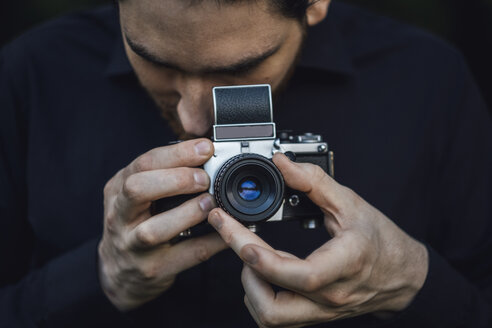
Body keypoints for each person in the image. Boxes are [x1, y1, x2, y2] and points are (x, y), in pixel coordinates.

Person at [0, 0, 491, 327]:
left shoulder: (426, 81)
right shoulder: (33, 74)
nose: (194, 118)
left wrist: (406, 277)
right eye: (154, 60)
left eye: (238, 70)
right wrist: (101, 276)